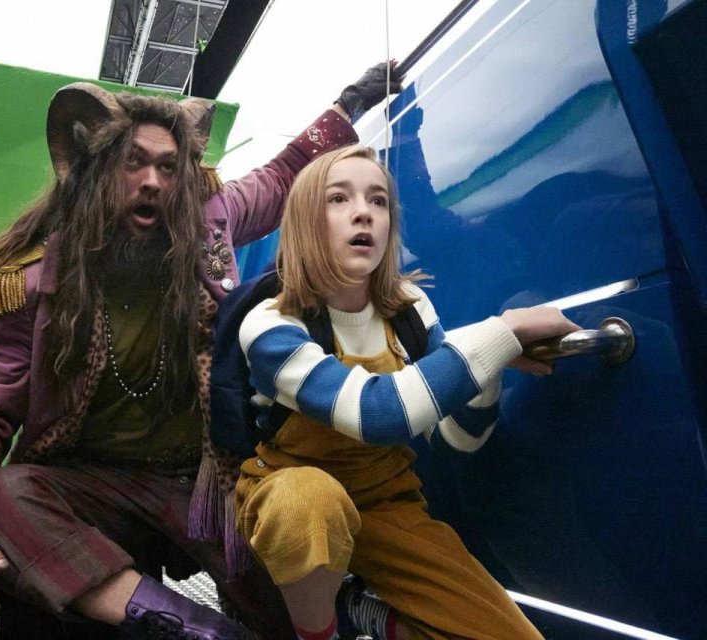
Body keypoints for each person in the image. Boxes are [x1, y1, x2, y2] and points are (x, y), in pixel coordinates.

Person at [0, 62, 403, 640]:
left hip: (203, 483)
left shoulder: (210, 223)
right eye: (133, 162)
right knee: (10, 494)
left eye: (168, 167)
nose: (152, 181)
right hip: (84, 484)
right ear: (94, 172)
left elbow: (281, 177)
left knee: (284, 590)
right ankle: (194, 629)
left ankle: (336, 612)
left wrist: (349, 103)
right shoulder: (27, 280)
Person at [234, 144, 581, 640]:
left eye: (378, 200)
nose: (364, 212)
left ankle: (368, 612)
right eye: (339, 198)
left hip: (386, 501)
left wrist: (490, 366)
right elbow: (377, 413)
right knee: (308, 500)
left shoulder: (410, 308)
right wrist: (502, 332)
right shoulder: (271, 324)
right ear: (305, 221)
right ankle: (319, 630)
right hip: (289, 493)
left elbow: (458, 439)